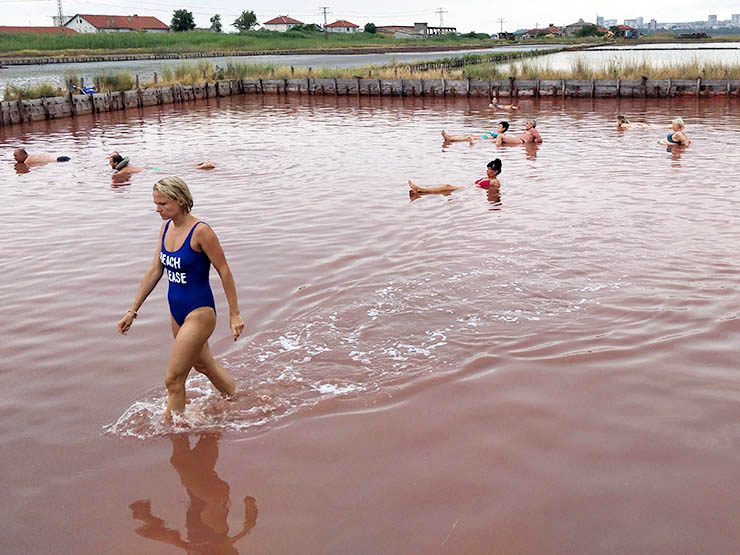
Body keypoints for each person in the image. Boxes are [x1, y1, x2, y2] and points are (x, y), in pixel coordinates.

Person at [117, 176, 245, 421]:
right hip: (177, 310)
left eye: (162, 204)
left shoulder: (201, 231)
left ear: (181, 200)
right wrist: (132, 310)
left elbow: (224, 270)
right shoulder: (165, 228)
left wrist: (235, 313)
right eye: (156, 203)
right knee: (203, 365)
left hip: (200, 311)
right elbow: (155, 270)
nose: (157, 209)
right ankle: (239, 400)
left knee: (173, 379)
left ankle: (172, 430)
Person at [408, 159, 502, 194]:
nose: (487, 171)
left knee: (446, 187)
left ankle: (420, 190)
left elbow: (495, 192)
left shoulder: (495, 182)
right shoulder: (487, 178)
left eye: (490, 170)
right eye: (487, 169)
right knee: (445, 188)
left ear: (495, 172)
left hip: (468, 191)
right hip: (468, 189)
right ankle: (420, 191)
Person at [442, 122, 509, 145]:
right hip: (481, 137)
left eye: (500, 126)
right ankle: (450, 138)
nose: (498, 127)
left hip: (483, 139)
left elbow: (496, 141)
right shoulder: (496, 132)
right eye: (498, 125)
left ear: (504, 129)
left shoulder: (502, 135)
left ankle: (449, 139)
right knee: (466, 137)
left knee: (466, 138)